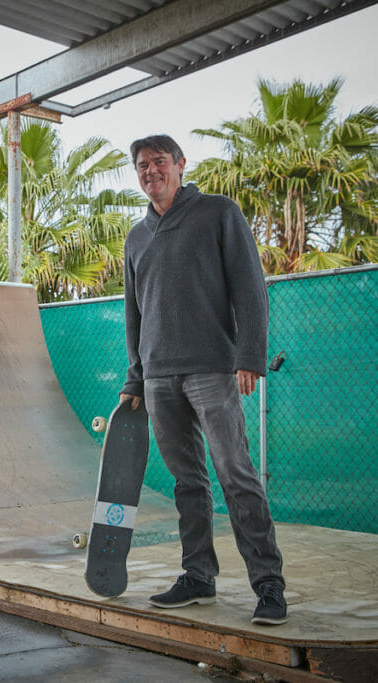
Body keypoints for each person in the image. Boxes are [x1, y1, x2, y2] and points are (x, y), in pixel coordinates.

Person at [119, 134, 287, 626]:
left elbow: (250, 286)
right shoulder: (136, 236)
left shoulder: (218, 211)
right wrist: (135, 379)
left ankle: (269, 585)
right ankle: (198, 577)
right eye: (142, 165)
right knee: (187, 482)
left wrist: (250, 355)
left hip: (213, 369)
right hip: (158, 378)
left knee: (236, 475)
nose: (151, 171)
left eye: (159, 162)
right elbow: (134, 314)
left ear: (180, 164)